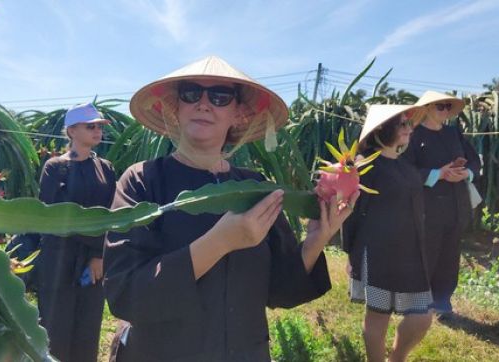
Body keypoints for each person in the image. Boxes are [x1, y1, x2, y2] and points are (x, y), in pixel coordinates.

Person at [103, 56, 358, 361]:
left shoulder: (256, 188)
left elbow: (281, 290)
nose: (204, 104)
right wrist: (219, 242)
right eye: (191, 94)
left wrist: (317, 239)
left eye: (220, 97)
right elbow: (125, 294)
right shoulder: (142, 181)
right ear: (177, 106)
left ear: (237, 113)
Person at [343, 105, 432, 362]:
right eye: (402, 124)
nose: (409, 128)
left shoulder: (404, 164)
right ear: (383, 130)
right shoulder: (364, 167)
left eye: (408, 123)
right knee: (378, 317)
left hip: (409, 255)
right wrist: (351, 253)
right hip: (378, 254)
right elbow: (351, 212)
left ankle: (397, 357)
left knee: (422, 316)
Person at [37, 103, 116, 362]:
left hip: (94, 261)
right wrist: (95, 246)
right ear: (71, 131)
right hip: (58, 258)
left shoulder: (106, 168)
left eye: (99, 126)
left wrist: (99, 255)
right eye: (90, 126)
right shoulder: (54, 167)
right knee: (55, 330)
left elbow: (111, 213)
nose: (97, 131)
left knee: (87, 328)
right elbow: (54, 216)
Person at [403, 91, 480, 316]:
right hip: (427, 208)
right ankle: (418, 300)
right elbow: (405, 170)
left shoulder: (453, 133)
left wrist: (465, 172)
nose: (446, 111)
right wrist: (438, 174)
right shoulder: (413, 135)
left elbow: (474, 161)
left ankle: (443, 300)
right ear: (426, 108)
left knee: (449, 254)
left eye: (448, 107)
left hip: (456, 205)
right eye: (441, 106)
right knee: (426, 252)